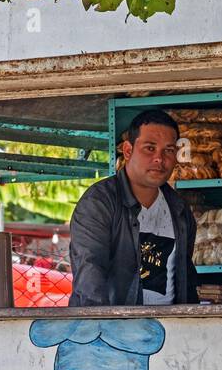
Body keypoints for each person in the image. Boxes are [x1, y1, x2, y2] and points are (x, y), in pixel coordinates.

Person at [68, 108, 199, 307]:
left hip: (170, 329)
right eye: (149, 148)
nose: (159, 158)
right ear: (128, 150)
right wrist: (105, 329)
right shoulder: (99, 203)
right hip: (113, 331)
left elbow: (185, 278)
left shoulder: (179, 209)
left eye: (169, 150)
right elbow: (90, 278)